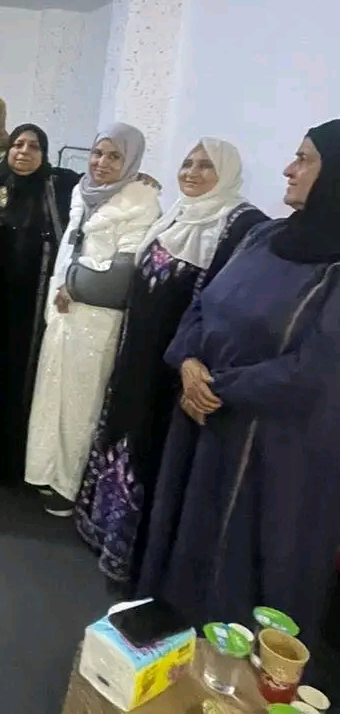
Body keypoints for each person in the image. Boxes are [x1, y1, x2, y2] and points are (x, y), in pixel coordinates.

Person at [138, 122, 340, 641]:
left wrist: (215, 386)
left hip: (269, 445)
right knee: (186, 532)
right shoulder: (263, 236)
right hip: (205, 414)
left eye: (304, 159)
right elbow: (204, 302)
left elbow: (314, 369)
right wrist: (187, 362)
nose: (288, 169)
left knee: (236, 567)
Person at [75, 140, 266, 583]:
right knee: (124, 435)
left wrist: (190, 360)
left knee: (156, 452)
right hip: (137, 357)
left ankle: (141, 559)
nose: (192, 172)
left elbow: (222, 306)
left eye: (206, 166)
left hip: (177, 368)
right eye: (187, 163)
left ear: (227, 173)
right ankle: (105, 533)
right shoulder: (176, 216)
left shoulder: (241, 227)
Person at [25, 124, 160, 516]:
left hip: (96, 321)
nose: (102, 163)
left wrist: (75, 286)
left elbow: (121, 277)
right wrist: (68, 286)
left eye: (115, 156)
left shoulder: (141, 201)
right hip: (64, 313)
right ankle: (44, 472)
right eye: (98, 153)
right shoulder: (82, 191)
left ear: (131, 161)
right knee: (52, 397)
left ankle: (68, 487)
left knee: (82, 406)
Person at [0, 124, 80, 480]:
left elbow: (98, 187)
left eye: (34, 146)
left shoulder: (58, 186)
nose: (24, 152)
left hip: (33, 308)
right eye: (18, 144)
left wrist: (140, 179)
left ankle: (14, 464)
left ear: (45, 153)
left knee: (22, 379)